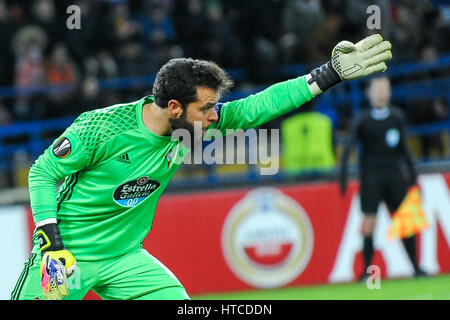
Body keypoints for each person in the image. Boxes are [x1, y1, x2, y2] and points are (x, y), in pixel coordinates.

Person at [11, 34, 392, 300]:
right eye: (205, 108)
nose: (214, 116)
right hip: (65, 256)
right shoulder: (103, 127)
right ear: (174, 107)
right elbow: (43, 172)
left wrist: (329, 74)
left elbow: (255, 107)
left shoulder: (191, 128)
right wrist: (51, 244)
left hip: (125, 258)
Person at [339, 76, 427, 281]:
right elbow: (348, 148)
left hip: (395, 175)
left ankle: (416, 267)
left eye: (385, 88)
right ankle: (367, 272)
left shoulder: (397, 116)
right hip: (371, 177)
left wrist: (413, 173)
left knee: (405, 221)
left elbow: (404, 147)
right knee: (369, 222)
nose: (382, 92)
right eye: (378, 88)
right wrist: (343, 177)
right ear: (368, 93)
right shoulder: (362, 119)